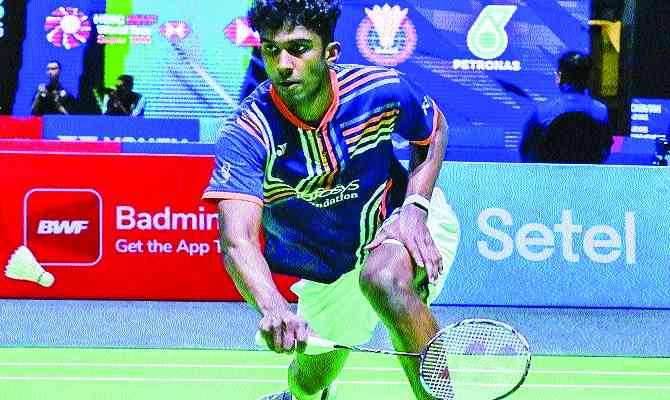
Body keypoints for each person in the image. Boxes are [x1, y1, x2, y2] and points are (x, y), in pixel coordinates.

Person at [202, 1, 460, 399]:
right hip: (329, 266)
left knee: (384, 278)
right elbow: (238, 239)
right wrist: (274, 308)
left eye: (299, 48)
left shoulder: (379, 91)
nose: (283, 64)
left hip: (395, 223)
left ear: (330, 53)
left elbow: (433, 129)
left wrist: (415, 209)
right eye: (271, 50)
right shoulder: (248, 133)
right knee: (308, 382)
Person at [520, 51, 611, 163]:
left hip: (550, 172)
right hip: (587, 173)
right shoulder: (601, 111)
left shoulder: (542, 111)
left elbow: (525, 150)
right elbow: (605, 149)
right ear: (588, 79)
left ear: (560, 78)